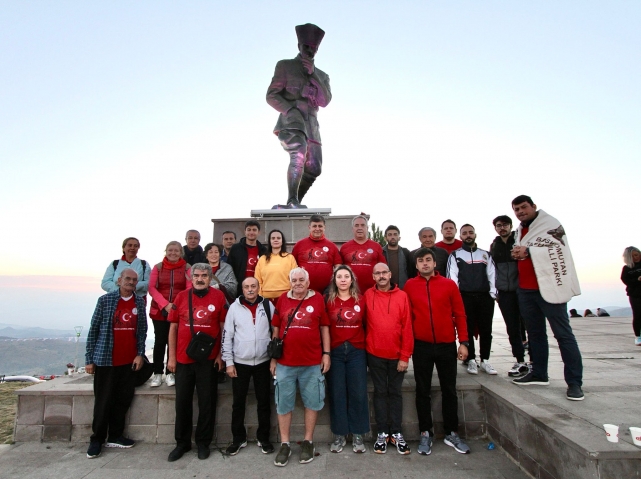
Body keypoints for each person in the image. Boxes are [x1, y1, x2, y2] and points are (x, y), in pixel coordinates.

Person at [510, 195, 584, 401]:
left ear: (534, 206)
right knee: (535, 335)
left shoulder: (549, 224)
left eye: (523, 207)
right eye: (516, 209)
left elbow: (558, 250)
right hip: (526, 290)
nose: (520, 212)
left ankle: (575, 383)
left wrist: (528, 251)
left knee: (563, 335)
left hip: (550, 288)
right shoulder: (520, 230)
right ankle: (539, 374)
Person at [404, 248, 470, 455]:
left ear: (434, 263)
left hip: (446, 345)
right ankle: (425, 433)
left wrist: (464, 342)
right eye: (421, 260)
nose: (425, 263)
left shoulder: (449, 285)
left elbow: (460, 314)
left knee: (449, 389)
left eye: (428, 260)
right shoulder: (409, 285)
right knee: (422, 390)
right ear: (416, 265)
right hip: (421, 345)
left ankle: (452, 432)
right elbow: (406, 317)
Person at [270, 267, 331, 466]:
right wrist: (273, 359)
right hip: (285, 363)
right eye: (294, 280)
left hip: (312, 362)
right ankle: (285, 444)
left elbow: (324, 327)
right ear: (290, 282)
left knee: (312, 402)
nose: (298, 283)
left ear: (308, 282)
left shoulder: (318, 299)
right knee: (283, 404)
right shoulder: (282, 299)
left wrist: (326, 354)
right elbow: (276, 328)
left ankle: (308, 441)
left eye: (301, 280)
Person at [166, 263, 227, 462]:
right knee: (182, 402)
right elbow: (173, 328)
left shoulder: (219, 297)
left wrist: (220, 355)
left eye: (204, 276)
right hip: (183, 359)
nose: (200, 279)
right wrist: (172, 358)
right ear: (191, 278)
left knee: (207, 402)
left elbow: (223, 328)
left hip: (208, 360)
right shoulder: (181, 296)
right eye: (197, 276)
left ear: (210, 278)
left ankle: (203, 443)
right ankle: (182, 443)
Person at [267, 23, 332, 209]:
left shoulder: (322, 75)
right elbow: (271, 95)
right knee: (299, 153)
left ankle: (295, 203)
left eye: (313, 48)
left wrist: (314, 76)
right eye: (306, 47)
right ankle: (292, 200)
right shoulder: (285, 66)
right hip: (292, 121)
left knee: (314, 168)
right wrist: (289, 109)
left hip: (312, 125)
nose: (309, 51)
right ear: (299, 46)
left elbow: (325, 101)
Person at [85, 268, 147, 459]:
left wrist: (140, 354)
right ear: (119, 280)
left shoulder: (139, 302)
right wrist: (89, 359)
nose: (131, 282)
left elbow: (142, 331)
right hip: (106, 360)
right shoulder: (105, 300)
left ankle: (115, 436)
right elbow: (94, 329)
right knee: (103, 402)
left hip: (128, 362)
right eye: (127, 279)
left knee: (122, 401)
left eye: (134, 280)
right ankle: (97, 439)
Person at [222, 277, 275, 455]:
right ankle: (238, 439)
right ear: (242, 289)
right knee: (238, 403)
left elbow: (275, 331)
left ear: (259, 287)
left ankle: (264, 438)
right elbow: (227, 335)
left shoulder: (267, 305)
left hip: (263, 361)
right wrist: (229, 362)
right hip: (240, 363)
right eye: (246, 287)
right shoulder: (234, 308)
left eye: (253, 286)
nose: (250, 289)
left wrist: (273, 359)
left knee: (264, 402)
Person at [365, 263, 413, 455]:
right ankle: (382, 433)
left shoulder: (402, 296)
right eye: (377, 273)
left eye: (384, 272)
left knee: (395, 393)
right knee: (380, 392)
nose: (381, 276)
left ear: (390, 274)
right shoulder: (368, 295)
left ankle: (396, 433)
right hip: (374, 354)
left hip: (396, 356)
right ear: (373, 276)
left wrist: (405, 356)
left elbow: (407, 327)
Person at [324, 265, 369, 454]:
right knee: (337, 393)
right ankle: (340, 434)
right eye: (339, 276)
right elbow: (324, 328)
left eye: (346, 276)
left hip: (356, 351)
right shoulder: (328, 300)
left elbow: (367, 324)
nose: (343, 279)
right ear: (334, 280)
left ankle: (358, 434)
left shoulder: (362, 300)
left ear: (352, 280)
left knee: (358, 392)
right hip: (335, 351)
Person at [447, 224, 497, 375]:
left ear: (475, 234)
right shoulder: (455, 255)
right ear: (460, 236)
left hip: (484, 297)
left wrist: (492, 294)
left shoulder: (485, 254)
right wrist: (456, 297)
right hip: (465, 297)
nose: (468, 235)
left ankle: (485, 360)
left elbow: (492, 274)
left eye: (470, 232)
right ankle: (471, 360)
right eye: (465, 233)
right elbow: (452, 277)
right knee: (467, 329)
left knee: (486, 329)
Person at [489, 215, 529, 377]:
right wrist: (495, 291)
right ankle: (520, 360)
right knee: (512, 328)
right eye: (499, 225)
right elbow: (492, 270)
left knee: (529, 326)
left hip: (522, 289)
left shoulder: (519, 241)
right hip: (504, 292)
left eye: (505, 225)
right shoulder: (494, 246)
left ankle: (535, 361)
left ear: (511, 226)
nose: (502, 228)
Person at [148, 241, 190, 387]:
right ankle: (157, 373)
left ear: (181, 252)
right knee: (160, 341)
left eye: (176, 250)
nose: (173, 253)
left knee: (175, 341)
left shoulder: (187, 268)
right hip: (159, 310)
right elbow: (152, 288)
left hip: (179, 310)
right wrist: (165, 304)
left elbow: (188, 288)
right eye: (170, 250)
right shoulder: (158, 267)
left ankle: (170, 372)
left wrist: (175, 305)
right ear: (166, 251)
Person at [291, 214, 341, 293]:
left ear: (324, 227)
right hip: (303, 291)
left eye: (320, 226)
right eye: (314, 226)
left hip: (327, 291)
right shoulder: (299, 245)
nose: (317, 229)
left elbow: (338, 268)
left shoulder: (332, 246)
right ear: (309, 227)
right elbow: (291, 266)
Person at [340, 215, 386, 291]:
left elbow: (383, 268)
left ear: (367, 228)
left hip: (373, 291)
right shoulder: (344, 247)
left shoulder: (376, 246)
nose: (359, 228)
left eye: (362, 225)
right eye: (356, 225)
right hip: (350, 291)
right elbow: (339, 269)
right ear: (352, 229)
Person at [255, 229, 298, 301]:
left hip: (286, 297)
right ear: (270, 241)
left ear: (282, 241)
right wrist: (260, 296)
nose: (276, 240)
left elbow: (295, 278)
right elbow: (257, 279)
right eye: (273, 238)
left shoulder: (290, 258)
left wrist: (291, 295)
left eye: (278, 238)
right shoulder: (262, 259)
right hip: (266, 298)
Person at [227, 220, 266, 296]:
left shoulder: (263, 250)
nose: (251, 232)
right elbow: (229, 268)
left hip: (258, 289)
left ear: (259, 232)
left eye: (254, 230)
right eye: (249, 230)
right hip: (240, 289)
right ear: (245, 232)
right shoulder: (235, 248)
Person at [621, 246, 641, 345]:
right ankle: (638, 336)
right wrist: (637, 280)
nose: (636, 257)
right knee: (637, 315)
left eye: (637, 255)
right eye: (632, 256)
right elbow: (626, 281)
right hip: (635, 294)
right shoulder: (627, 268)